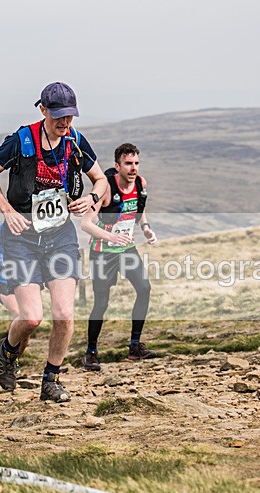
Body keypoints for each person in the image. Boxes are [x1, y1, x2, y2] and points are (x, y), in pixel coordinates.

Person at [0, 82, 108, 402]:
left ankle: (51, 380)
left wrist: (92, 198)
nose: (64, 122)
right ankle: (8, 352)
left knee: (64, 314)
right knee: (31, 317)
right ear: (43, 110)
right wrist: (7, 210)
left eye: (70, 116)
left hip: (60, 236)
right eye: (58, 116)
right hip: (21, 238)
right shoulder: (21, 140)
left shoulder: (75, 141)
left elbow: (101, 179)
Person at [80, 143, 157, 371]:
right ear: (117, 166)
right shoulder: (105, 188)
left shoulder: (141, 183)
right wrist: (111, 237)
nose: (133, 168)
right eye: (128, 163)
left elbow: (139, 208)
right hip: (102, 252)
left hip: (127, 249)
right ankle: (91, 352)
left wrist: (146, 228)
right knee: (101, 303)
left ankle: (135, 345)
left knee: (144, 288)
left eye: (136, 163)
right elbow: (86, 224)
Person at [0, 224, 29, 357]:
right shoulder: (7, 226)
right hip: (3, 280)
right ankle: (7, 353)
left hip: (25, 280)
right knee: (18, 313)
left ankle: (14, 358)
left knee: (28, 320)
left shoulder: (38, 227)